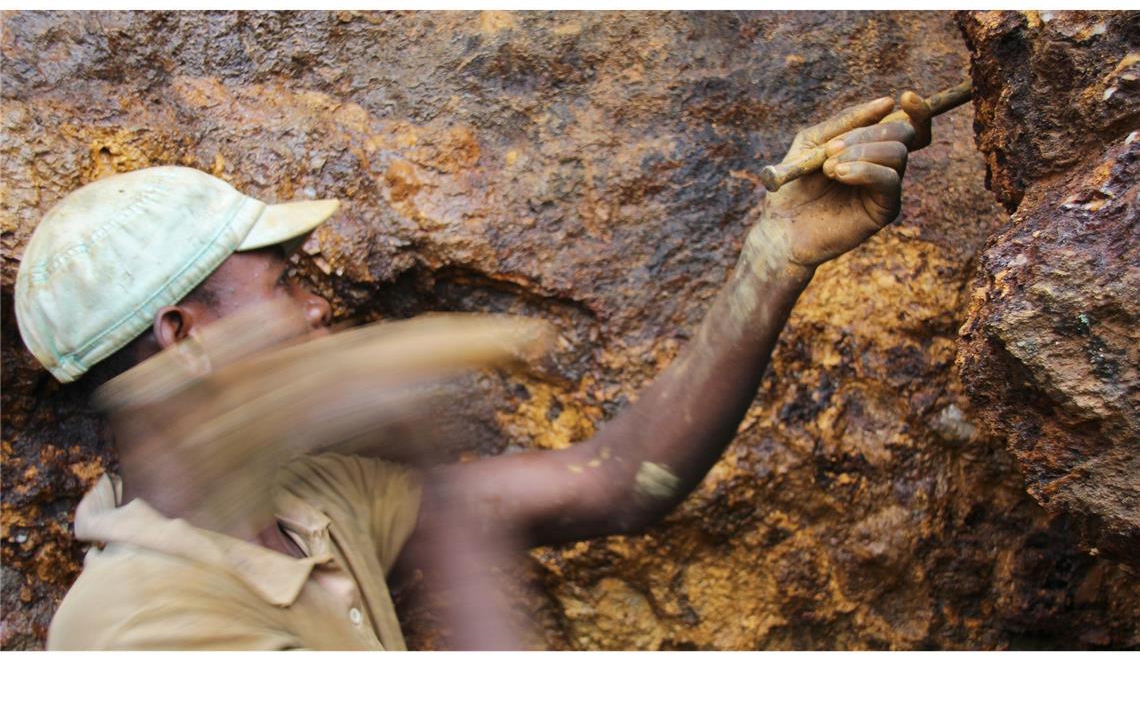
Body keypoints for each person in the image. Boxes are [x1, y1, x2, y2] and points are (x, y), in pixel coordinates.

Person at [17, 94, 931, 650]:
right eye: (285, 285)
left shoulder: (306, 505)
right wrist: (421, 439)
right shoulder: (138, 632)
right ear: (184, 336)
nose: (318, 309)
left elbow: (614, 483)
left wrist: (773, 255)